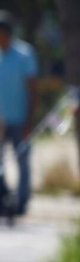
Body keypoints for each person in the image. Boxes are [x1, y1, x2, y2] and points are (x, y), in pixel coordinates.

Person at [0, 12, 39, 216]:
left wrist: (29, 121)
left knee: (22, 162)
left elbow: (33, 89)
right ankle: (3, 198)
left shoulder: (25, 54)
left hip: (21, 119)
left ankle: (22, 202)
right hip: (1, 121)